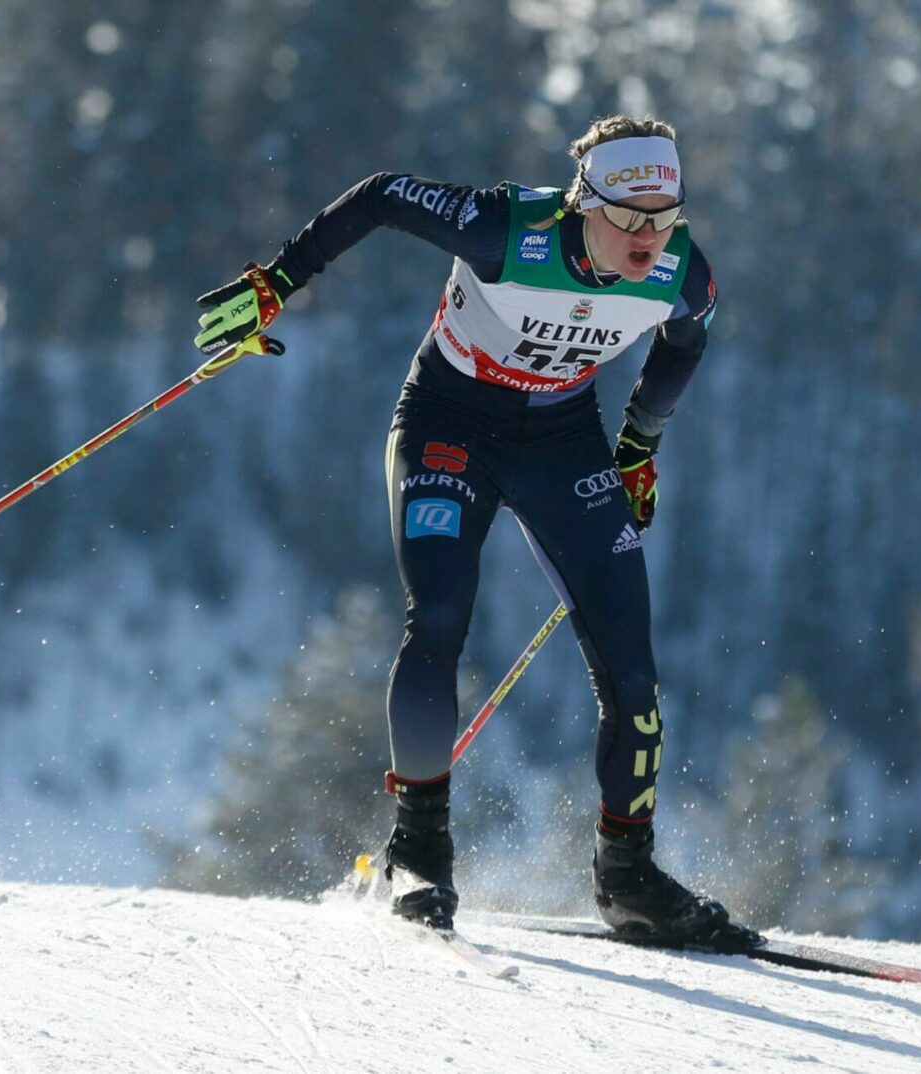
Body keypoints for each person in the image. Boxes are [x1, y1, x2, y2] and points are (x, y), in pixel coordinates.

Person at [193, 114, 752, 947]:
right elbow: (383, 195)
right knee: (440, 617)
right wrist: (278, 282)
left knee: (632, 665)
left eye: (665, 217)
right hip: (448, 423)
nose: (649, 237)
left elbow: (684, 342)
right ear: (584, 203)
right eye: (629, 217)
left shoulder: (682, 271)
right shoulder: (509, 231)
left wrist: (638, 445)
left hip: (562, 441)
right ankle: (419, 852)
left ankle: (628, 877)